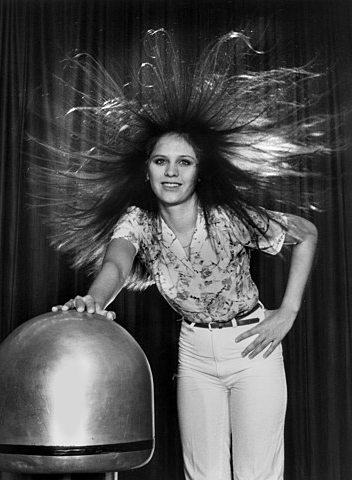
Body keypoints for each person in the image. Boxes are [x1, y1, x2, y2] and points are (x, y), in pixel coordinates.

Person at [37, 29, 328, 480]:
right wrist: (93, 300)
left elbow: (305, 233)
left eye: (183, 162)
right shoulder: (138, 221)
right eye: (160, 162)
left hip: (253, 349)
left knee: (258, 474)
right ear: (147, 170)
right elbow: (115, 263)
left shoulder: (229, 216)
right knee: (203, 474)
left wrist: (288, 311)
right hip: (194, 352)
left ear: (197, 172)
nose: (170, 172)